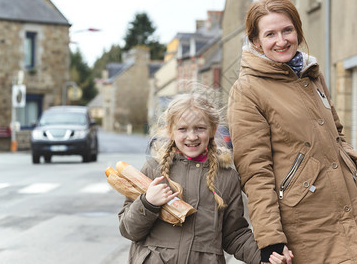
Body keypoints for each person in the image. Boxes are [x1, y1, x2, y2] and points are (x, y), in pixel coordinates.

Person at [227, 0, 357, 264]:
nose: (282, 40)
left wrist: (348, 161)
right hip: (305, 223)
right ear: (256, 41)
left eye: (287, 30)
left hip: (346, 207)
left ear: (297, 30)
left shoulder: (311, 74)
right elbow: (255, 171)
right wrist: (271, 240)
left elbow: (336, 131)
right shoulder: (248, 90)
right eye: (270, 34)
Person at [118, 88, 286, 264]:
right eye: (183, 129)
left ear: (213, 129)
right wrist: (148, 203)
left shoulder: (226, 178)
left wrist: (263, 258)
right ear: (170, 131)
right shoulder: (153, 170)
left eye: (200, 128)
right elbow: (128, 230)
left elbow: (234, 235)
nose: (192, 136)